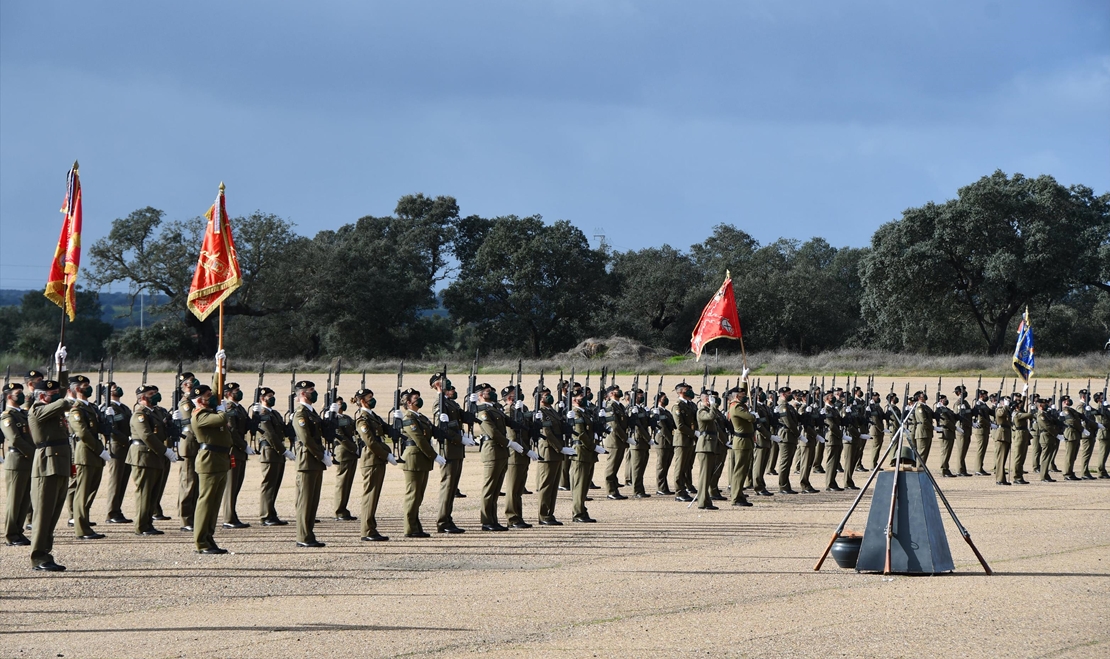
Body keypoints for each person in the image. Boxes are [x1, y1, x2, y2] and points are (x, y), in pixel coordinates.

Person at [27, 347, 72, 571]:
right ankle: (38, 557)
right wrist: (66, 398)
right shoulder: (36, 410)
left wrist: (60, 366)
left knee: (53, 515)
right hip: (46, 465)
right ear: (42, 396)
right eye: (51, 394)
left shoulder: (52, 407)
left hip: (60, 464)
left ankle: (46, 553)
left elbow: (62, 394)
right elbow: (64, 400)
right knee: (43, 515)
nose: (56, 395)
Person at [398, 387, 446, 537]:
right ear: (407, 402)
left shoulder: (421, 417)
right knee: (412, 495)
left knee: (418, 496)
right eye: (415, 398)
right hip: (414, 459)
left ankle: (416, 526)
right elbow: (419, 440)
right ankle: (410, 529)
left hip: (421, 459)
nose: (418, 400)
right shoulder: (408, 419)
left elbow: (433, 432)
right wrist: (434, 456)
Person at [191, 385, 233, 554]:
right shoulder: (200, 415)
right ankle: (201, 541)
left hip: (220, 460)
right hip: (209, 461)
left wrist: (219, 368)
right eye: (209, 396)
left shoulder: (210, 412)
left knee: (214, 504)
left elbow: (217, 388)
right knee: (206, 503)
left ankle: (209, 537)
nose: (214, 398)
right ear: (200, 400)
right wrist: (222, 409)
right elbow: (222, 419)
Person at [129, 385, 176, 536]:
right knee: (144, 492)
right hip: (144, 456)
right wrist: (165, 450)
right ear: (142, 397)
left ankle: (148, 523)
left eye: (156, 393)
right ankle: (141, 525)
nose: (156, 396)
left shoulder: (156, 412)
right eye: (151, 394)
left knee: (153, 492)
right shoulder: (140, 414)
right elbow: (147, 436)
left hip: (154, 456)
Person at [66, 375, 108, 540]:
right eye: (85, 385)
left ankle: (85, 523)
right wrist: (100, 450)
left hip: (95, 454)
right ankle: (81, 529)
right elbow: (83, 433)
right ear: (77, 389)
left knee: (90, 491)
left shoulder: (91, 407)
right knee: (82, 493)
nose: (88, 388)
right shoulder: (76, 409)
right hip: (85, 454)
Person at [431, 372, 472, 534]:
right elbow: (443, 429)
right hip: (449, 449)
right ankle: (442, 521)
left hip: (456, 450)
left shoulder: (450, 403)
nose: (448, 383)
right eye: (444, 381)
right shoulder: (438, 404)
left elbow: (462, 419)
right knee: (447, 487)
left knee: (453, 487)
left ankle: (448, 518)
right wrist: (460, 439)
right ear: (437, 385)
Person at [353, 388, 396, 541]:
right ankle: (367, 530)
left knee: (374, 495)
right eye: (370, 397)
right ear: (363, 400)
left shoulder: (373, 416)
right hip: (371, 460)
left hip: (377, 459)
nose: (373, 400)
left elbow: (386, 429)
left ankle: (371, 528)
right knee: (370, 495)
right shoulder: (362, 419)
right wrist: (387, 455)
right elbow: (370, 442)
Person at [291, 380, 329, 547]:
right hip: (307, 461)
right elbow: (306, 439)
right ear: (303, 394)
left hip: (314, 461)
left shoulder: (311, 413)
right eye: (311, 390)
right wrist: (321, 455)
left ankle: (309, 534)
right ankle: (303, 537)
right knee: (305, 501)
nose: (314, 393)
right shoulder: (300, 414)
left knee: (313, 501)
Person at [475, 384, 515, 531]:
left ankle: (493, 519)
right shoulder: (483, 411)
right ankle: (486, 521)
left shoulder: (494, 408)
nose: (491, 393)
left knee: (496, 488)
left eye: (491, 391)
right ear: (480, 395)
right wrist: (510, 443)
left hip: (501, 451)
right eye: (487, 392)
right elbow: (493, 432)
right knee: (489, 488)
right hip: (492, 451)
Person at [253, 386, 292, 525]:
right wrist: (284, 451)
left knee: (275, 484)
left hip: (277, 453)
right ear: (262, 399)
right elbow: (269, 435)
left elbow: (283, 431)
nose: (272, 398)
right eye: (270, 396)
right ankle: (265, 515)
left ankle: (271, 512)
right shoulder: (262, 414)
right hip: (270, 452)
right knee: (268, 484)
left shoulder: (274, 413)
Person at [534, 384, 573, 525]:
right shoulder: (540, 412)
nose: (548, 396)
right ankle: (543, 515)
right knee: (546, 486)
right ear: (538, 398)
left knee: (554, 485)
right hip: (548, 452)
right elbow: (547, 433)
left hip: (556, 451)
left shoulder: (552, 410)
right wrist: (560, 448)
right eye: (545, 394)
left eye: (549, 393)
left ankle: (550, 513)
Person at [502, 385, 539, 528]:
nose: (521, 395)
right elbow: (513, 435)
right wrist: (525, 451)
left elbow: (527, 430)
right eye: (516, 393)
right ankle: (512, 517)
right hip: (515, 455)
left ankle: (518, 516)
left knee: (519, 488)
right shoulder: (508, 410)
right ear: (510, 397)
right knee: (513, 488)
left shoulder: (522, 409)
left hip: (524, 454)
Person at [2, 383, 33, 546]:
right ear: (9, 396)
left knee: (25, 499)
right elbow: (15, 439)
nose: (21, 396)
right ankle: (11, 535)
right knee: (15, 500)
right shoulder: (7, 416)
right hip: (17, 461)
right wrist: (35, 454)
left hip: (27, 461)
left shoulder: (24, 414)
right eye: (17, 393)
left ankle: (18, 531)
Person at [568, 386, 603, 522]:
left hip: (588, 453)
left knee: (585, 484)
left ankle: (582, 510)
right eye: (581, 397)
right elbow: (581, 434)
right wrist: (594, 447)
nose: (584, 399)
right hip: (581, 453)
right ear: (575, 400)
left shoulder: (586, 412)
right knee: (579, 485)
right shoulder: (576, 413)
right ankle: (577, 513)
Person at [221, 382, 252, 529]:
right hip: (233, 450)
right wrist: (244, 446)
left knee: (237, 484)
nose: (239, 393)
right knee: (231, 485)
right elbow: (232, 431)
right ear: (228, 393)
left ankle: (232, 515)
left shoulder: (239, 408)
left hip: (239, 451)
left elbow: (246, 427)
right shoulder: (229, 408)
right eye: (236, 391)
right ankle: (228, 517)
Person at [101, 382, 133, 524]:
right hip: (116, 447)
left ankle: (117, 510)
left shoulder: (124, 408)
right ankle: (111, 512)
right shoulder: (106, 408)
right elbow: (111, 429)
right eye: (112, 388)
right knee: (115, 480)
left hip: (127, 447)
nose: (117, 389)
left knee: (123, 480)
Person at [173, 372, 200, 532]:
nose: (192, 386)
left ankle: (193, 517)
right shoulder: (186, 403)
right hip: (189, 446)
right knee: (188, 483)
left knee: (195, 484)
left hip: (195, 446)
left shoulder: (194, 401)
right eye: (189, 384)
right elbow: (192, 422)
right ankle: (186, 519)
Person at [330, 396, 359, 521]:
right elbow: (339, 436)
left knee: (348, 483)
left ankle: (344, 509)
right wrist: (354, 448)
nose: (342, 405)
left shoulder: (346, 418)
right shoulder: (333, 419)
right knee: (342, 483)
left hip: (351, 453)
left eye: (343, 403)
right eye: (339, 403)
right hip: (343, 452)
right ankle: (339, 510)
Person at [726, 387, 754, 507]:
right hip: (741, 441)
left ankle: (739, 494)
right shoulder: (736, 407)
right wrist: (752, 415)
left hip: (746, 440)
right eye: (743, 395)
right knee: (739, 471)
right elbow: (751, 418)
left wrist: (744, 377)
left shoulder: (739, 406)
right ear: (737, 396)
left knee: (743, 470)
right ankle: (735, 497)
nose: (745, 397)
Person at [600, 385, 629, 500]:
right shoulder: (610, 406)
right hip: (614, 441)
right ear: (611, 393)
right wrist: (625, 438)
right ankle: (610, 491)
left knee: (616, 466)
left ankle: (614, 489)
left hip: (620, 441)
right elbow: (614, 425)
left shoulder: (619, 405)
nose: (619, 391)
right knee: (611, 467)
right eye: (616, 390)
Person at [670, 382, 697, 502]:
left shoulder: (691, 405)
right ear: (680, 391)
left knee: (687, 467)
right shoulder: (678, 406)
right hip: (682, 440)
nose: (690, 391)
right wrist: (693, 433)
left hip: (690, 441)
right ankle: (679, 492)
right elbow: (680, 425)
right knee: (680, 468)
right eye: (687, 389)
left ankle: (685, 489)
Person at [774, 387, 800, 494]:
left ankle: (786, 485)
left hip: (790, 436)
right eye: (789, 393)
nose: (791, 395)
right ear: (783, 394)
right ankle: (783, 486)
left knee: (788, 462)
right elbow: (788, 422)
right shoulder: (783, 406)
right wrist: (798, 434)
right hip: (786, 436)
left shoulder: (788, 406)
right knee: (784, 462)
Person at [650, 390, 676, 495]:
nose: (666, 399)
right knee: (661, 466)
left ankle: (664, 487)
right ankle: (661, 488)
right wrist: (672, 441)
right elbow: (663, 428)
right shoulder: (656, 411)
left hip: (669, 442)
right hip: (662, 442)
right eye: (663, 398)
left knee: (666, 465)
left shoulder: (666, 411)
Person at [820, 392, 844, 491]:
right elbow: (831, 425)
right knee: (831, 461)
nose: (833, 398)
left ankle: (833, 482)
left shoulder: (834, 409)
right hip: (832, 437)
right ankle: (829, 484)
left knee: (836, 461)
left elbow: (839, 422)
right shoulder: (826, 410)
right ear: (826, 399)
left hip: (837, 438)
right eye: (831, 396)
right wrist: (841, 435)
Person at [1011, 393, 1034, 485]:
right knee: (1018, 457)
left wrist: (1024, 394)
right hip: (1019, 436)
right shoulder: (1017, 414)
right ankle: (1016, 476)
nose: (1021, 406)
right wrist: (1032, 410)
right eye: (1019, 405)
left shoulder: (1019, 412)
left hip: (1023, 435)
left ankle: (1020, 476)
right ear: (1016, 407)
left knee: (1022, 457)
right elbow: (1029, 415)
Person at [935, 395, 959, 477]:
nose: (946, 400)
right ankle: (944, 469)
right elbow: (945, 421)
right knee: (945, 452)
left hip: (949, 433)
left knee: (948, 452)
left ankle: (946, 468)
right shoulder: (940, 410)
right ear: (941, 400)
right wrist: (955, 428)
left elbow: (953, 417)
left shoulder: (946, 409)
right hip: (945, 432)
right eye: (945, 399)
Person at [992, 395, 1013, 485]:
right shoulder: (999, 409)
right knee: (1000, 459)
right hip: (1001, 436)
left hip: (1006, 435)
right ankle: (999, 479)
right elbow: (1000, 414)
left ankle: (1002, 478)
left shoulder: (1006, 410)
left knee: (1003, 459)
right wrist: (1004, 406)